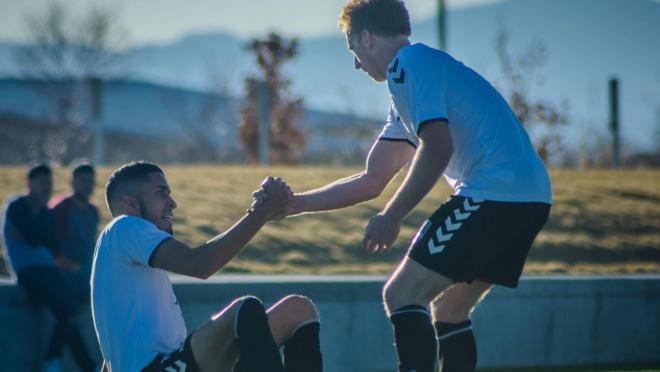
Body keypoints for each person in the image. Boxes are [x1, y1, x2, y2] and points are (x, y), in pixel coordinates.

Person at [255, 1, 552, 371]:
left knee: (401, 294)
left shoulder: (410, 65)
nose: (355, 63)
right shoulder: (410, 85)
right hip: (532, 198)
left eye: (353, 50)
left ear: (366, 38)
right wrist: (296, 204)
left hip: (496, 194)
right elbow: (373, 179)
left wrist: (393, 216)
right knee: (449, 310)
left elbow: (438, 147)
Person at [91, 161, 322, 372]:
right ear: (130, 204)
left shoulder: (123, 254)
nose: (172, 203)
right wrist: (262, 211)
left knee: (298, 310)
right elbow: (200, 264)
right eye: (161, 193)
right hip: (161, 368)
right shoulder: (124, 227)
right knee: (245, 309)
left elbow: (113, 349)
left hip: (175, 364)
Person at [1, 164, 96, 372]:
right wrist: (39, 241)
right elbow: (34, 238)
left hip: (50, 270)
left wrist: (40, 241)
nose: (47, 187)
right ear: (29, 184)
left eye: (49, 183)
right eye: (42, 182)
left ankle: (56, 361)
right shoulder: (17, 206)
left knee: (70, 308)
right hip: (29, 271)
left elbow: (50, 244)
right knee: (69, 310)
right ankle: (78, 365)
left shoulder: (44, 212)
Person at [50, 162, 99, 302]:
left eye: (90, 181)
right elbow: (51, 243)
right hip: (66, 270)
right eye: (83, 181)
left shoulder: (93, 211)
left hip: (87, 268)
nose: (87, 185)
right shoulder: (61, 208)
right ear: (72, 182)